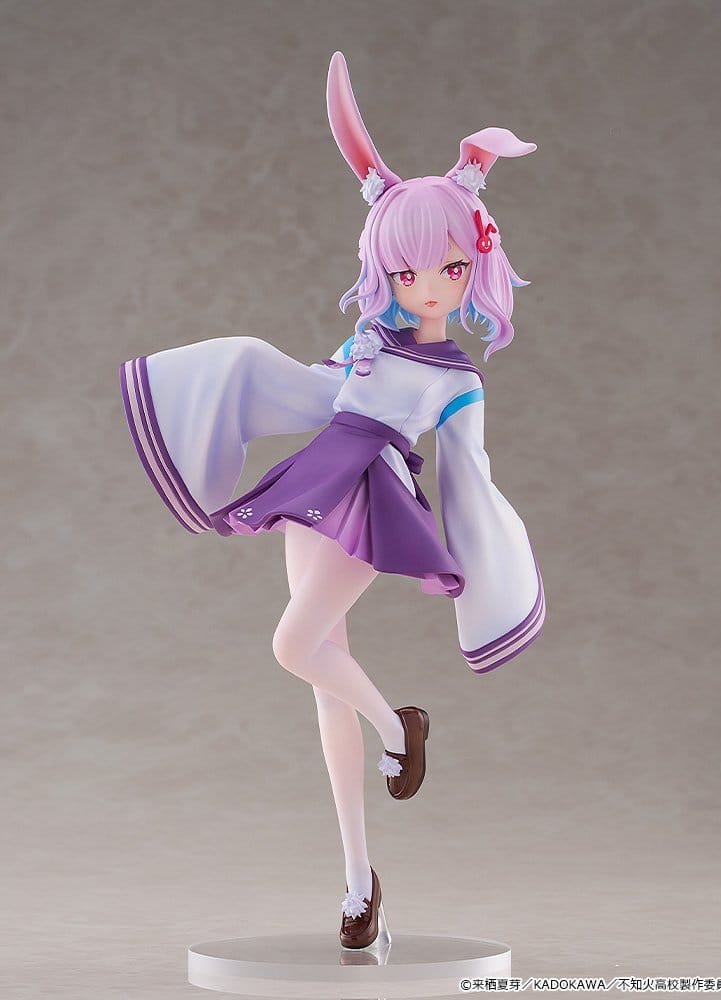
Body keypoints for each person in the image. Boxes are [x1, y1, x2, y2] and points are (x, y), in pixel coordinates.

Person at [118, 51, 545, 950]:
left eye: (447, 268)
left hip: (372, 498)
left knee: (292, 646)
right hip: (317, 480)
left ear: (472, 262)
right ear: (385, 270)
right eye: (406, 273)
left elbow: (469, 473)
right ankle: (358, 883)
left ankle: (400, 726)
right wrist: (239, 373)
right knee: (322, 675)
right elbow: (322, 395)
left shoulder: (457, 380)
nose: (427, 287)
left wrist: (489, 567)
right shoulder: (367, 345)